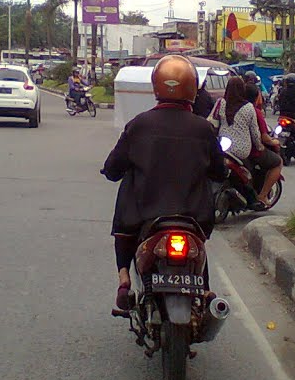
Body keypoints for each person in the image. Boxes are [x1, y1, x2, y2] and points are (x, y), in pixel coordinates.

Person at [101, 55, 225, 311]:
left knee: (124, 234)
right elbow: (219, 172)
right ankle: (205, 288)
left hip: (144, 216)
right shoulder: (203, 129)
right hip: (193, 216)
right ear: (192, 88)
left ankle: (124, 279)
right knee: (198, 243)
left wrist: (111, 171)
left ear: (156, 86)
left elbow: (114, 169)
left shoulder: (139, 124)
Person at [212, 77, 268, 210]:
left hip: (222, 146)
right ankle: (252, 199)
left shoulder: (221, 103)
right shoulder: (249, 108)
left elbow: (212, 122)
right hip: (242, 150)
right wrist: (260, 147)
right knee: (248, 174)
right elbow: (255, 133)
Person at [244, 83, 283, 205]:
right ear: (257, 97)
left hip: (234, 148)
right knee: (277, 162)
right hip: (251, 149)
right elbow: (263, 137)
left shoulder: (232, 107)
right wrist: (274, 141)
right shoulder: (254, 111)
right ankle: (262, 195)